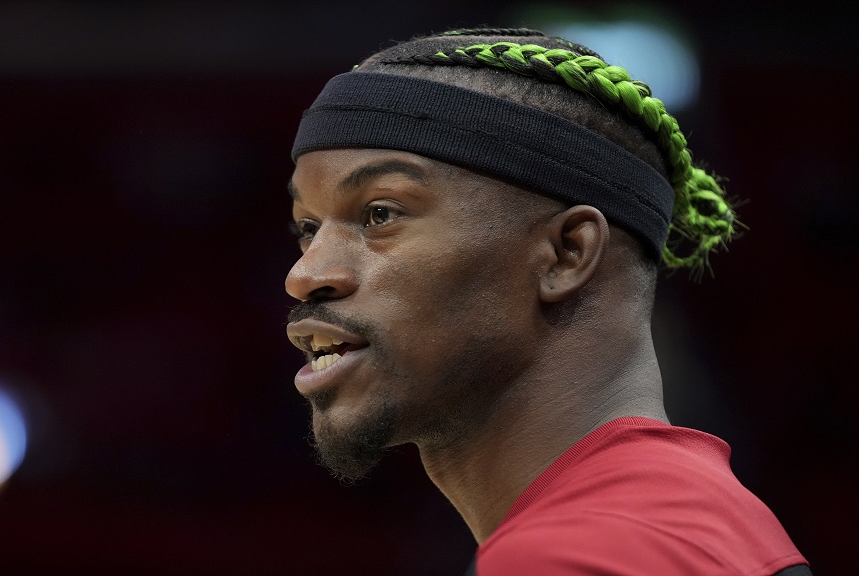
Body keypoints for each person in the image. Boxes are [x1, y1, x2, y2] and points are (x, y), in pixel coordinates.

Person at [282, 27, 809, 575]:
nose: (305, 274)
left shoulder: (571, 555)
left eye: (380, 214)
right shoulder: (698, 518)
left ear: (566, 253)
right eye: (308, 227)